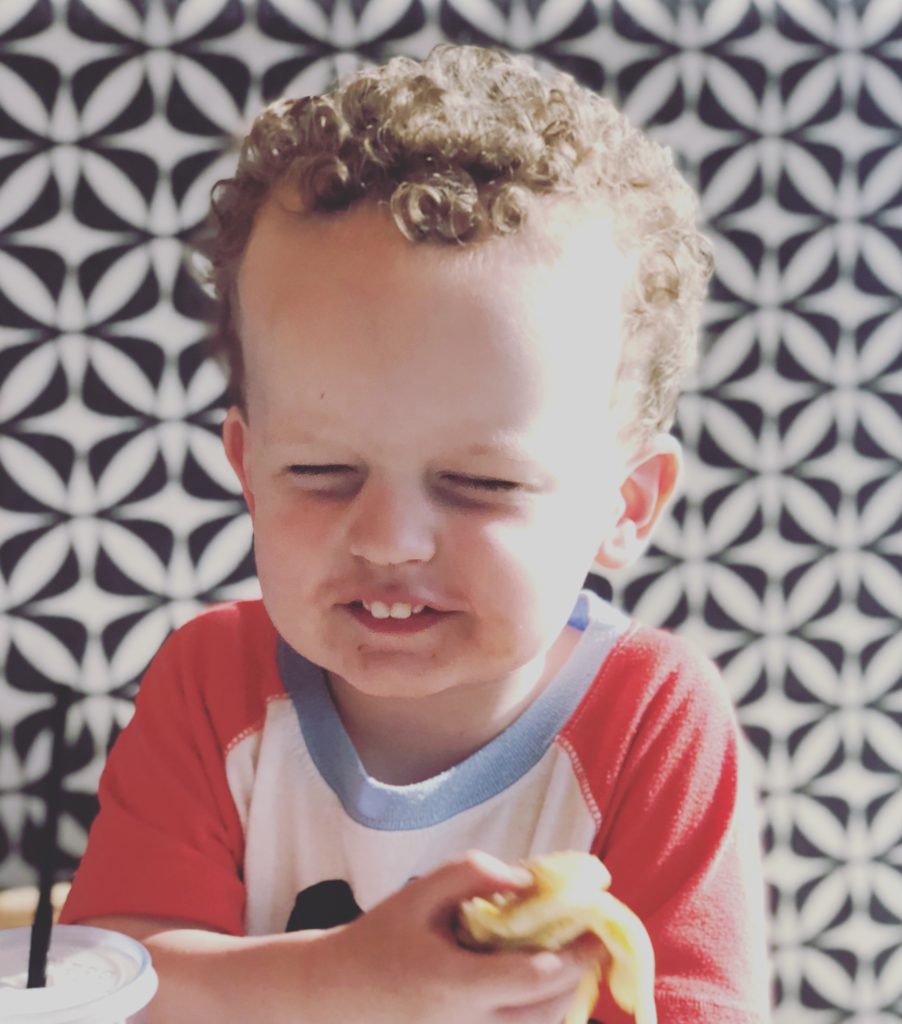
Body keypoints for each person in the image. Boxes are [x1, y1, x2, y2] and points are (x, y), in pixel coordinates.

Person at [60, 42, 772, 1024]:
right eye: (319, 471)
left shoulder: (650, 718)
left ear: (626, 505)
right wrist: (341, 984)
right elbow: (102, 986)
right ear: (248, 474)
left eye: (480, 482)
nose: (390, 539)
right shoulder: (209, 685)